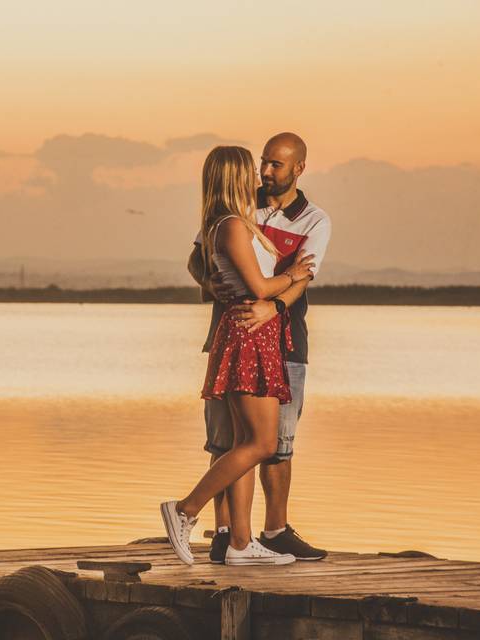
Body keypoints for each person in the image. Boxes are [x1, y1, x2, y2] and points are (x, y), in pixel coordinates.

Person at [160, 145, 315, 566]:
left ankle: (241, 546)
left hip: (257, 335)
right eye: (250, 169)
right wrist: (293, 275)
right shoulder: (230, 225)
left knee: (247, 441)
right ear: (233, 177)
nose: (258, 175)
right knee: (263, 442)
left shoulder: (236, 224)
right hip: (249, 334)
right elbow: (261, 288)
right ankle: (184, 509)